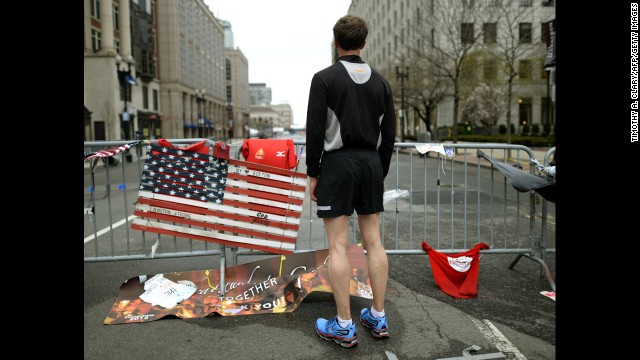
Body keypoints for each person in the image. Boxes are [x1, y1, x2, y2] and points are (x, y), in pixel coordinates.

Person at [305, 14, 396, 348]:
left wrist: (313, 173)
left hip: (338, 165)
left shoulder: (324, 79)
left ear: (336, 42)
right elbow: (389, 137)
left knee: (338, 245)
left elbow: (315, 132)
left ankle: (344, 324)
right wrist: (378, 170)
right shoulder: (382, 83)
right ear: (364, 42)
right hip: (371, 164)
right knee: (374, 241)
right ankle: (378, 314)